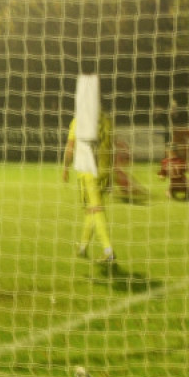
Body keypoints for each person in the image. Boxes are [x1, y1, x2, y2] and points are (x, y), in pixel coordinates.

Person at [62, 112, 116, 263]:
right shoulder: (107, 120)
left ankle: (108, 250)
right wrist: (110, 174)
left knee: (96, 209)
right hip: (104, 170)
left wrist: (65, 167)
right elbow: (112, 149)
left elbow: (70, 145)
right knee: (91, 210)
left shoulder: (80, 119)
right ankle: (82, 247)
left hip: (88, 172)